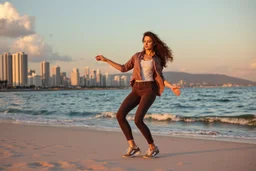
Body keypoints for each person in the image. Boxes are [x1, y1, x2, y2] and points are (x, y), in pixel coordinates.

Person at [95, 31, 181, 158]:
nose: (146, 43)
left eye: (149, 41)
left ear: (153, 43)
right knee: (120, 115)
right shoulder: (137, 56)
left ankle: (153, 147)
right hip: (136, 88)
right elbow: (123, 68)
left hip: (149, 89)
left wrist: (172, 86)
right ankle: (133, 146)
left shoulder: (156, 59)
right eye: (144, 41)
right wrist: (106, 60)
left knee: (138, 120)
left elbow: (160, 78)